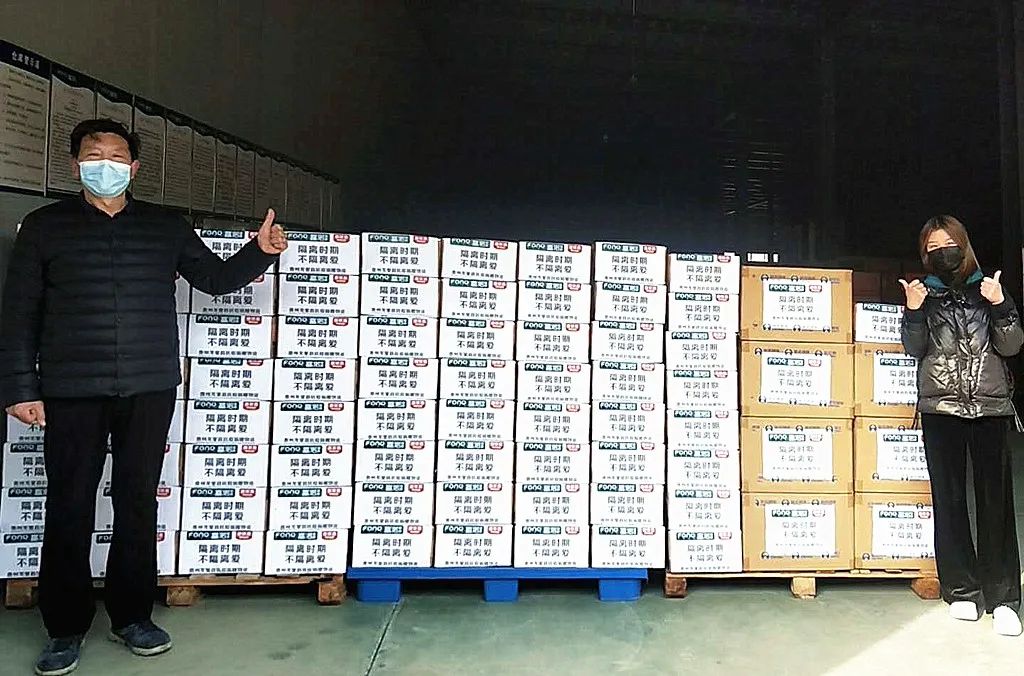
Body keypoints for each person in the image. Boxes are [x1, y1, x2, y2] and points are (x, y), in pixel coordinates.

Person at [0, 119, 288, 676]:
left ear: (133, 168)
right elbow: (19, 314)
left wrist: (259, 252)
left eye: (116, 157)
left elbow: (214, 279)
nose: (104, 165)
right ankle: (64, 628)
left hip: (149, 385)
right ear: (75, 164)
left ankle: (133, 617)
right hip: (71, 389)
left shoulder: (164, 227)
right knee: (69, 505)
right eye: (93, 156)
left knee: (136, 502)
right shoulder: (44, 227)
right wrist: (18, 388)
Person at [899, 215, 1023, 637]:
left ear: (963, 245)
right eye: (932, 247)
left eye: (948, 244)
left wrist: (1000, 303)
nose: (942, 252)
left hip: (989, 406)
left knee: (995, 504)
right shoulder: (924, 294)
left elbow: (1012, 345)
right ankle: (963, 591)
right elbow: (914, 348)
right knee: (949, 502)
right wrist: (913, 311)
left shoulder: (987, 289)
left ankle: (1004, 598)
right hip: (941, 408)